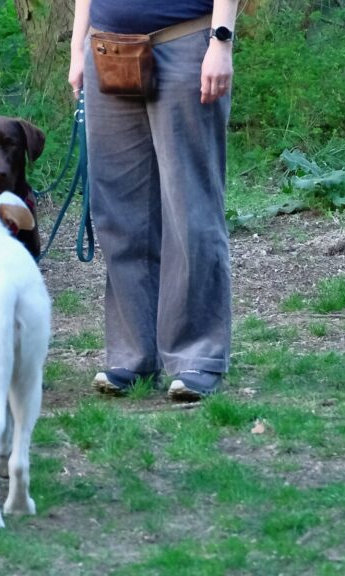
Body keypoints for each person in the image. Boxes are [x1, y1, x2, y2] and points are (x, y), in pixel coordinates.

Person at [69, 0, 237, 401]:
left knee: (189, 207)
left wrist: (221, 41)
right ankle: (133, 356)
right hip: (107, 49)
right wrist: (78, 48)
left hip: (185, 44)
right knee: (119, 212)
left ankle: (197, 357)